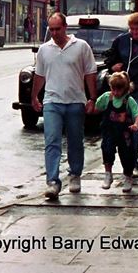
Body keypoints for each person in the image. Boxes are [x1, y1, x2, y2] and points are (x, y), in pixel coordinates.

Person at [31, 12, 98, 199]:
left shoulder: (81, 47)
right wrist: (34, 96)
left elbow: (90, 73)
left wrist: (92, 98)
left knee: (75, 140)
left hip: (75, 101)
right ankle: (52, 181)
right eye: (51, 29)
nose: (54, 33)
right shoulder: (45, 49)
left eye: (57, 29)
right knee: (52, 141)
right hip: (52, 101)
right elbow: (40, 75)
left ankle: (75, 174)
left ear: (65, 27)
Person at [104, 12, 138, 170]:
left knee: (133, 124)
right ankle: (120, 159)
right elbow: (110, 57)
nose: (134, 32)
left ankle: (132, 161)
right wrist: (112, 66)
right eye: (131, 29)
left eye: (137, 29)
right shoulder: (121, 40)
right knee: (116, 126)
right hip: (120, 89)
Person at [92, 72, 138, 192]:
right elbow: (97, 108)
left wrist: (136, 124)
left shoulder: (128, 100)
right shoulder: (106, 97)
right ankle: (108, 174)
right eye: (113, 89)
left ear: (125, 89)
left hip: (124, 134)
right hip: (109, 131)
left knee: (127, 155)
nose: (115, 93)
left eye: (118, 90)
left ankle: (128, 177)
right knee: (107, 150)